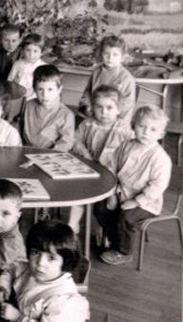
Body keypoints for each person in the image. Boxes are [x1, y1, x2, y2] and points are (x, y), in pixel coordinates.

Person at [94, 105, 172, 266]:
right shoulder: (126, 145)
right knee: (100, 208)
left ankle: (124, 251)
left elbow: (157, 187)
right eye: (141, 126)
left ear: (161, 134)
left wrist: (136, 202)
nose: (146, 132)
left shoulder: (160, 158)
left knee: (126, 217)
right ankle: (114, 238)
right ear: (133, 126)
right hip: (121, 192)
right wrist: (111, 194)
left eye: (153, 129)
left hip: (147, 201)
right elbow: (111, 168)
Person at [0, 220, 89, 322]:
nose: (40, 263)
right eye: (36, 253)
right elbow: (10, 271)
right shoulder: (29, 270)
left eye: (51, 258)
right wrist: (3, 287)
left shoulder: (64, 301)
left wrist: (17, 317)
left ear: (65, 262)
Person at [68, 85, 132, 233]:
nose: (104, 113)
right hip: (89, 169)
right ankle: (73, 224)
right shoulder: (88, 124)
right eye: (99, 107)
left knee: (108, 203)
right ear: (92, 108)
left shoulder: (123, 130)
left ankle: (105, 231)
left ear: (118, 109)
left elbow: (130, 154)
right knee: (78, 190)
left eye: (109, 108)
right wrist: (84, 152)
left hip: (113, 175)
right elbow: (75, 140)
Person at [78, 35, 136, 126]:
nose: (110, 58)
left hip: (116, 120)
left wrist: (117, 121)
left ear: (122, 57)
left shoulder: (126, 78)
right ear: (101, 54)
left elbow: (127, 104)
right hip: (95, 115)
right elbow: (88, 93)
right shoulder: (96, 72)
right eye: (106, 54)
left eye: (115, 55)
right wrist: (88, 106)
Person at [19, 64, 74, 151]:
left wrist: (50, 155)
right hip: (25, 149)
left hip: (50, 154)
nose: (45, 95)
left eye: (50, 89)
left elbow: (66, 142)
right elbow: (20, 128)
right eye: (40, 89)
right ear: (34, 89)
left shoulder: (66, 114)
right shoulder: (29, 105)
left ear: (59, 90)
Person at [7, 33, 47, 99]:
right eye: (28, 50)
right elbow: (9, 81)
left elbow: (45, 87)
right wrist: (14, 82)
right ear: (23, 50)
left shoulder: (44, 67)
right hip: (17, 98)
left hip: (35, 99)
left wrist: (34, 92)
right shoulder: (17, 64)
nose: (31, 54)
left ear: (42, 52)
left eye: (35, 51)